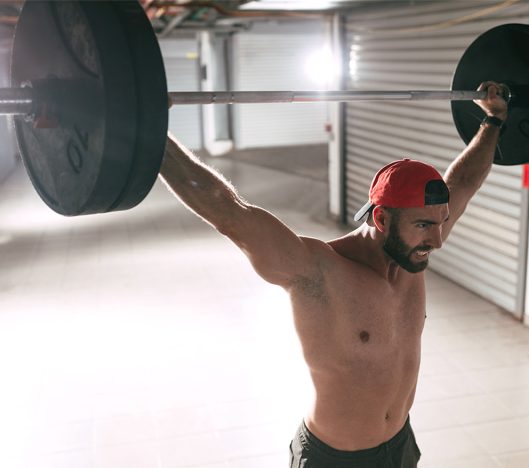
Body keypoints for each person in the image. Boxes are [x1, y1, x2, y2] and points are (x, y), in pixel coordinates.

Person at [159, 81, 508, 468]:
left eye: (441, 223)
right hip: (335, 459)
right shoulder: (317, 271)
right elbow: (229, 212)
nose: (438, 239)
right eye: (425, 225)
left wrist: (492, 119)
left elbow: (464, 181)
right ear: (381, 218)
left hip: (400, 446)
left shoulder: (409, 253)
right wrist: (152, 131)